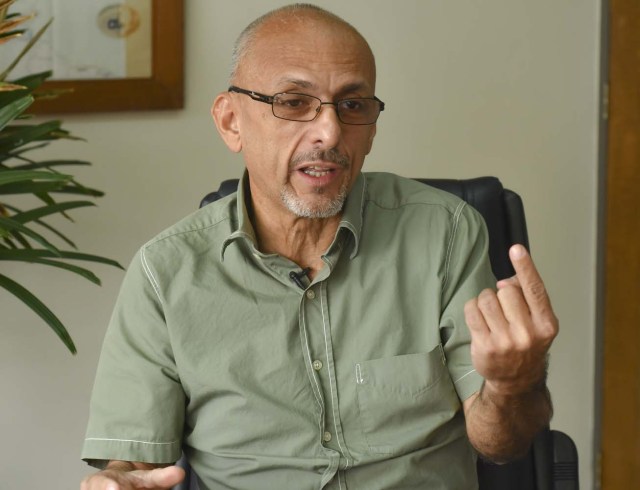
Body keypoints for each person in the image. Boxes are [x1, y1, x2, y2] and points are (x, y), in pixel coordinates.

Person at [80, 4, 558, 489]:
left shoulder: (447, 231)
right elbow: (133, 464)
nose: (329, 132)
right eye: (293, 102)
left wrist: (511, 384)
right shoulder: (165, 272)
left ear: (372, 127)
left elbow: (503, 443)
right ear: (231, 122)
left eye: (352, 105)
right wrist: (119, 481)